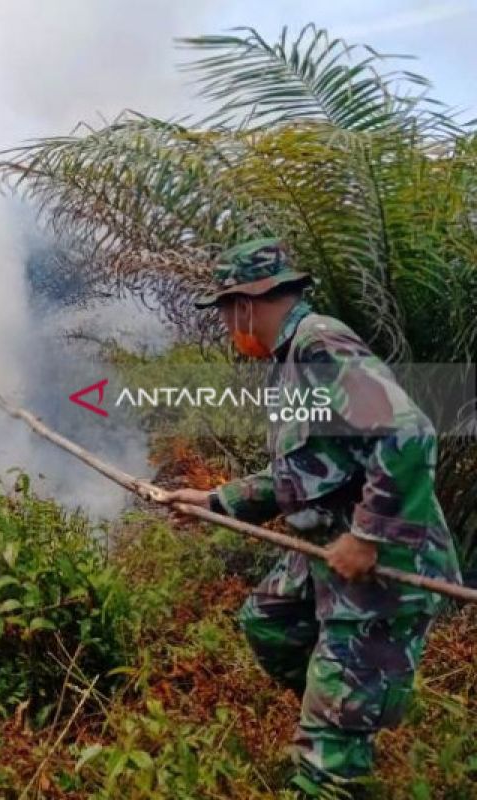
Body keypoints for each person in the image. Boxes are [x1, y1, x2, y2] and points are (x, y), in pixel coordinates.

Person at [160, 239, 462, 797]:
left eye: (226, 312)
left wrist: (369, 536)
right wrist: (216, 501)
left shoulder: (320, 344)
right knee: (269, 622)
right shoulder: (293, 361)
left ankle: (337, 743)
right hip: (329, 558)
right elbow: (309, 468)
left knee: (324, 773)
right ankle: (349, 710)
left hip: (381, 570)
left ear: (246, 304)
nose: (228, 326)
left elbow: (408, 433)